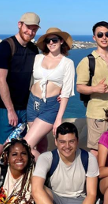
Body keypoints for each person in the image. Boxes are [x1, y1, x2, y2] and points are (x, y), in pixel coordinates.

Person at [0, 12, 40, 163]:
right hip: (5, 108)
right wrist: (10, 110)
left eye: (34, 29)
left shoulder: (33, 50)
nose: (31, 32)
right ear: (20, 24)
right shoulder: (6, 46)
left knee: (21, 153)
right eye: (28, 27)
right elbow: (1, 80)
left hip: (25, 108)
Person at [24, 27, 76, 159]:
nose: (51, 43)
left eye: (54, 40)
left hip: (50, 106)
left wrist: (59, 118)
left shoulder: (67, 63)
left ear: (61, 41)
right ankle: (41, 176)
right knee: (40, 145)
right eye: (48, 40)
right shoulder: (37, 58)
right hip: (32, 103)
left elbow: (66, 92)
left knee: (26, 146)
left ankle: (43, 173)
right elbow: (28, 80)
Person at [76, 21, 108, 157]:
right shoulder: (88, 61)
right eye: (100, 34)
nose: (104, 37)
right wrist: (95, 89)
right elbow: (79, 87)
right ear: (94, 37)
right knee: (96, 149)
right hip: (97, 113)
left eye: (107, 34)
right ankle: (94, 178)